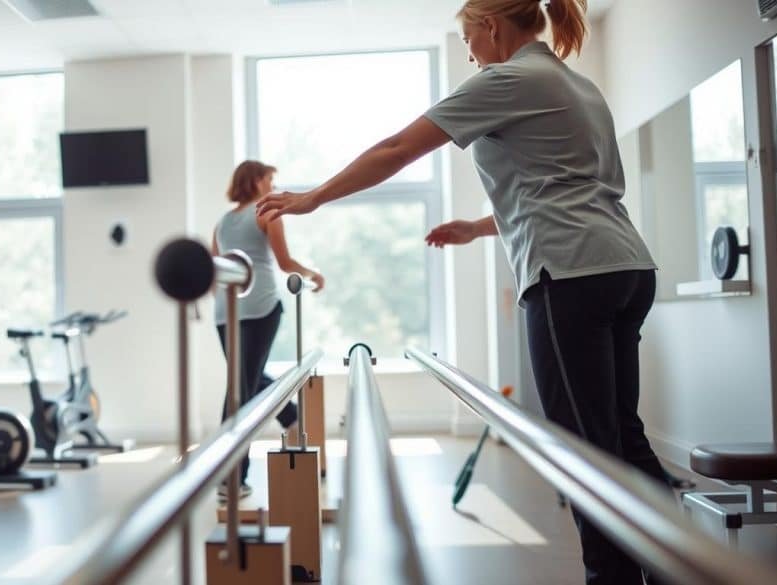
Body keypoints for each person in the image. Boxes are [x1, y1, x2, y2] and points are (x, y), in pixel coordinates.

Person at [257, 1, 668, 583]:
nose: (470, 55)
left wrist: (312, 198)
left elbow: (396, 149)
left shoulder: (507, 79)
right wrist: (478, 228)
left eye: (468, 42)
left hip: (568, 274)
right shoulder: (578, 84)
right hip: (624, 267)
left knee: (585, 455)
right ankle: (676, 569)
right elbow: (563, 186)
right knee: (624, 438)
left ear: (492, 28)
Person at [213, 160, 324, 500]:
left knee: (245, 377)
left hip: (226, 309)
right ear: (257, 181)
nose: (273, 186)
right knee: (241, 389)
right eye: (271, 179)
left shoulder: (222, 222)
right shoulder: (267, 211)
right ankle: (231, 478)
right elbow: (284, 262)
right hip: (260, 306)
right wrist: (313, 274)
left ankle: (289, 417)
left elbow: (213, 264)